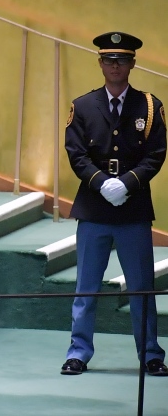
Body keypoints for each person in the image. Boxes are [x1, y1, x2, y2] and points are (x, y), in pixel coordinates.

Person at [60, 31, 168, 376]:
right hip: (94, 209)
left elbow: (156, 154)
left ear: (132, 63)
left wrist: (127, 183)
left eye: (122, 60)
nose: (115, 66)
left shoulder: (149, 106)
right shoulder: (83, 106)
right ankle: (78, 353)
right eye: (109, 60)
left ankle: (150, 354)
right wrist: (100, 182)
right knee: (86, 288)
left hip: (133, 210)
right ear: (100, 63)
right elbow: (76, 153)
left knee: (141, 287)